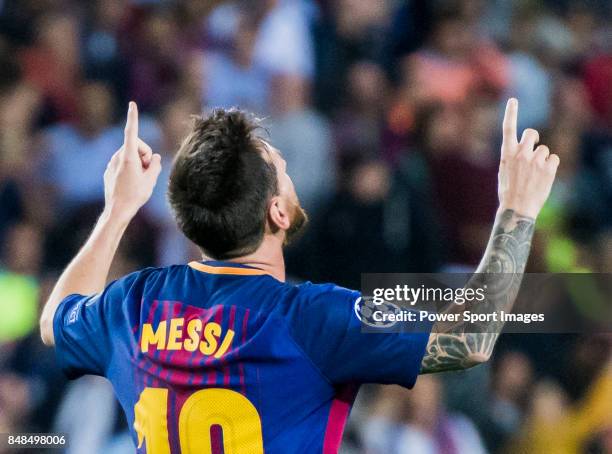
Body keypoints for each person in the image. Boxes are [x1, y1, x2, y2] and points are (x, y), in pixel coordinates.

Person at [39, 98, 558, 453]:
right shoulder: (311, 317)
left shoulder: (134, 304)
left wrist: (118, 211)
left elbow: (54, 320)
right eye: (284, 170)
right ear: (278, 214)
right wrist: (516, 209)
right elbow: (469, 338)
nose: (293, 175)